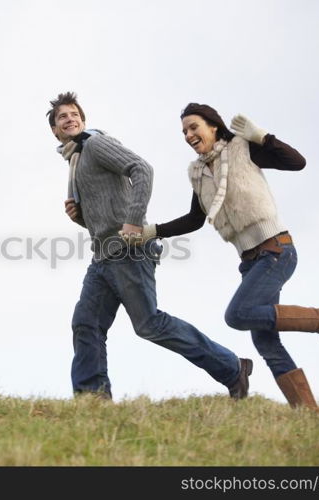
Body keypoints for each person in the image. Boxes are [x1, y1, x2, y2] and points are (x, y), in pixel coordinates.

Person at [127, 103, 319, 410]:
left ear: (213, 126)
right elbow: (194, 218)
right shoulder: (199, 171)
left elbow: (297, 162)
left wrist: (263, 136)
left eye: (193, 127)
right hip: (251, 261)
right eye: (184, 131)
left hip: (276, 250)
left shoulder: (242, 149)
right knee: (266, 341)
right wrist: (152, 232)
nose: (189, 135)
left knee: (237, 315)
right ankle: (308, 412)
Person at [47, 92, 252, 401]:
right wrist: (80, 217)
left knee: (149, 324)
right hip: (103, 257)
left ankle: (232, 367)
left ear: (83, 120)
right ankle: (92, 398)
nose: (70, 119)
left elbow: (142, 169)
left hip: (130, 251)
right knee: (85, 323)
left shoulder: (96, 144)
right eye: (62, 117)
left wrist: (133, 222)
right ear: (55, 130)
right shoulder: (76, 161)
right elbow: (102, 218)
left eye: (74, 114)